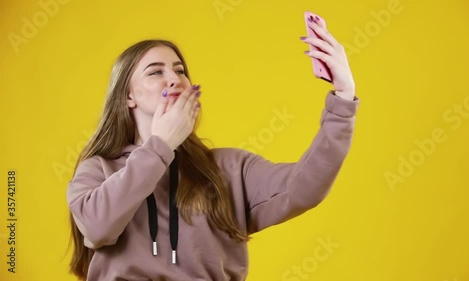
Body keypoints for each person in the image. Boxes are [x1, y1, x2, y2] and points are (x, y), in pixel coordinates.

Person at [66, 14, 360, 281]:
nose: (174, 79)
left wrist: (344, 98)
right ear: (129, 96)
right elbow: (96, 228)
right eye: (156, 72)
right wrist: (160, 146)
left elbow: (303, 188)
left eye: (180, 70)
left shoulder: (228, 168)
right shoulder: (98, 168)